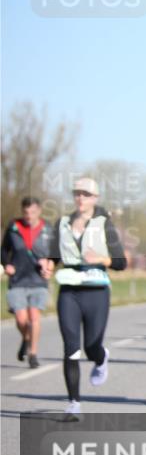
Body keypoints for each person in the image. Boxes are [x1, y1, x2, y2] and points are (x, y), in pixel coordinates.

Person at [47, 178, 127, 419]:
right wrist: (47, 265)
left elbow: (121, 262)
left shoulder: (104, 224)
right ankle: (73, 403)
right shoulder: (61, 224)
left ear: (95, 198)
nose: (81, 198)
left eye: (86, 194)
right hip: (69, 291)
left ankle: (101, 358)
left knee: (91, 347)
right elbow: (53, 256)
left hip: (96, 290)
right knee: (71, 348)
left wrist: (101, 259)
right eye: (77, 193)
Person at [2, 196, 55, 369]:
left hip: (38, 280)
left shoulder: (47, 229)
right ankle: (26, 337)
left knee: (34, 317)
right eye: (26, 212)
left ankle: (33, 353)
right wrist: (6, 264)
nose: (29, 216)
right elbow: (3, 250)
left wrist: (49, 262)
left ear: (39, 211)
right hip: (17, 279)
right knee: (21, 318)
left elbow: (56, 253)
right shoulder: (14, 227)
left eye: (32, 212)